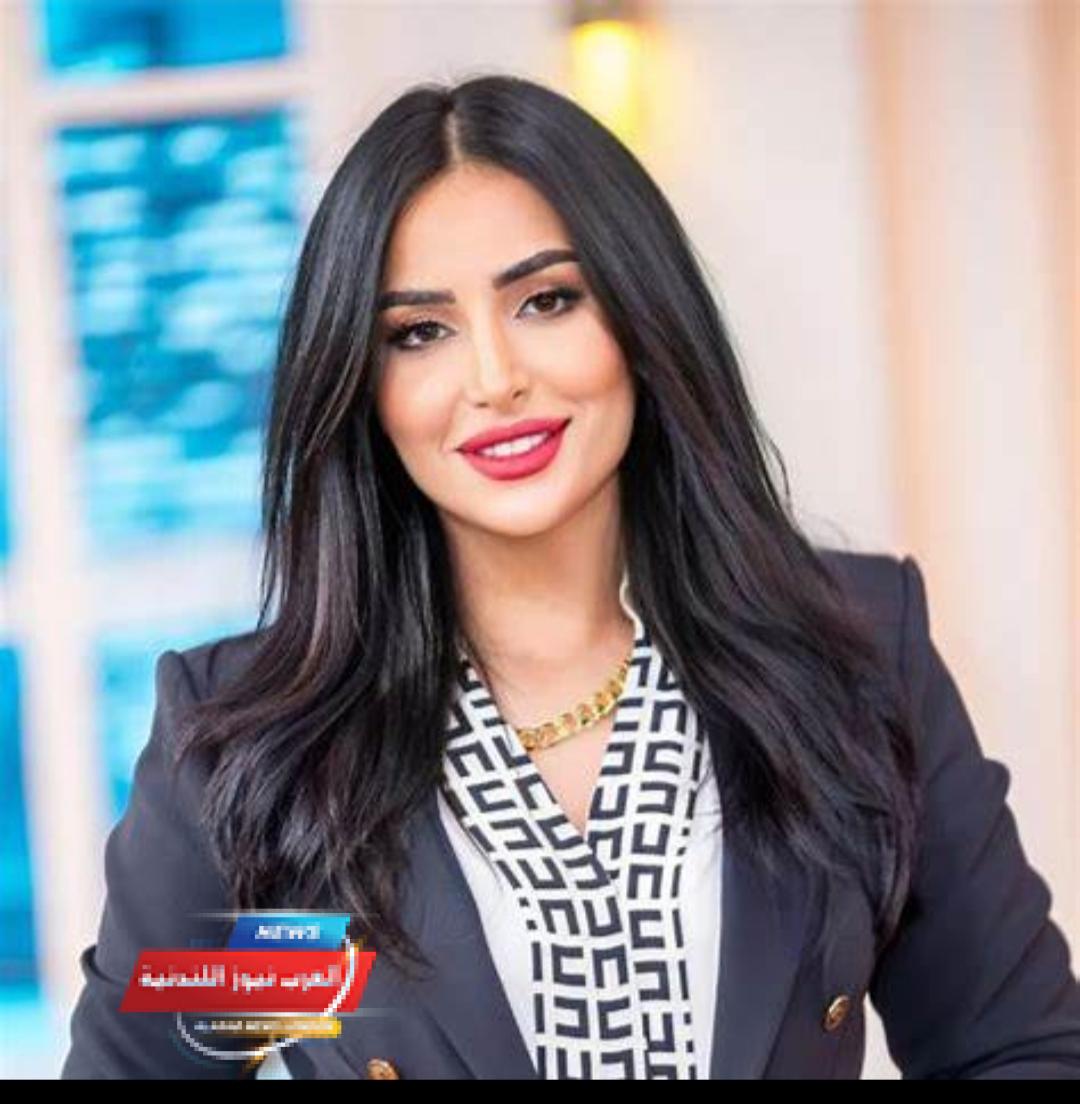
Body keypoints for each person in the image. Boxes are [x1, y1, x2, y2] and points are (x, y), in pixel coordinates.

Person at [62, 74, 1080, 1080]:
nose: (495, 378)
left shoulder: (845, 653)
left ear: (640, 316)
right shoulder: (268, 750)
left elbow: (1016, 1048)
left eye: (547, 300)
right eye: (419, 333)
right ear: (362, 386)